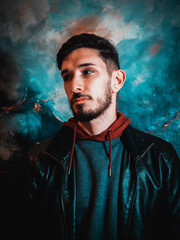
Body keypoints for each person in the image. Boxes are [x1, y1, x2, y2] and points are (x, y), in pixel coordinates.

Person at [1, 33, 180, 240]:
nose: (74, 86)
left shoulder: (160, 158)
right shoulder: (40, 160)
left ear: (117, 80)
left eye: (87, 72)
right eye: (67, 76)